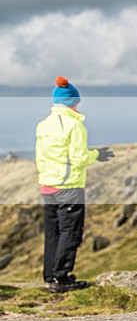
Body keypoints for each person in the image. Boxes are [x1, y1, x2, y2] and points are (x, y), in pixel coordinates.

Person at [36, 76, 114, 293]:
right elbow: (79, 158)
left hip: (47, 185)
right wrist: (97, 155)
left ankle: (51, 274)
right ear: (74, 102)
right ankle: (61, 278)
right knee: (70, 232)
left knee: (53, 232)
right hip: (68, 187)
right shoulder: (75, 125)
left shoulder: (43, 125)